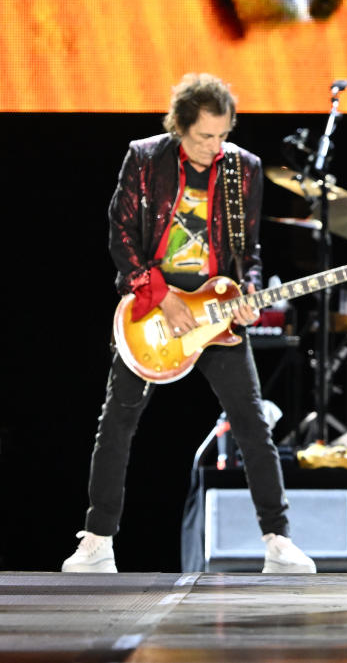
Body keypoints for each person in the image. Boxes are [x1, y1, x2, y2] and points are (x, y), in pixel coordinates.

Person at [62, 73, 316, 574]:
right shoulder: (145, 158)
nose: (214, 146)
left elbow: (249, 252)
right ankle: (97, 540)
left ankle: (278, 541)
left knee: (251, 422)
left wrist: (248, 293)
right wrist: (160, 296)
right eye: (204, 136)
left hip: (215, 312)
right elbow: (121, 237)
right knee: (117, 423)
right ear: (179, 127)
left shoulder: (243, 169)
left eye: (222, 135)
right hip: (152, 308)